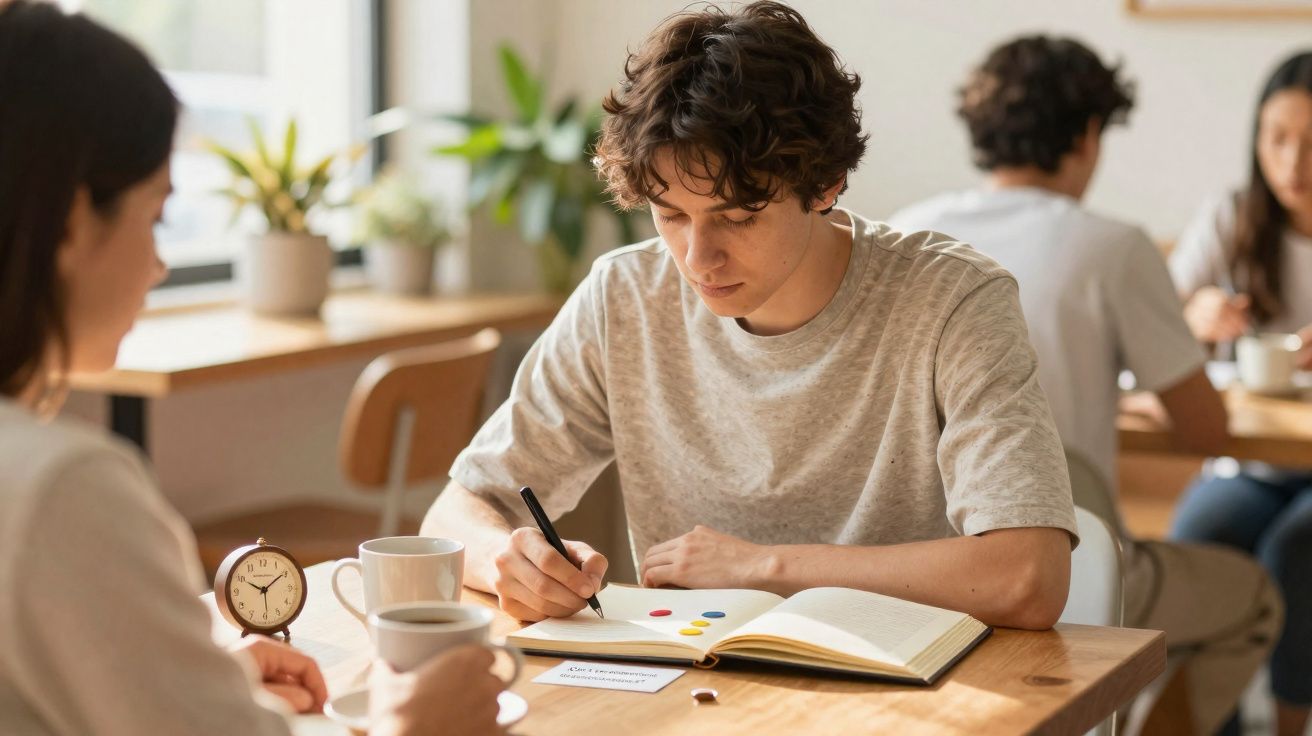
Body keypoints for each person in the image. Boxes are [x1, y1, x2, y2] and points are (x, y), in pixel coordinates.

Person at [423, 1, 1077, 632]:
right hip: (693, 681)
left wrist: (764, 568)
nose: (697, 257)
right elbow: (456, 513)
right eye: (671, 214)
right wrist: (505, 560)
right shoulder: (623, 299)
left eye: (737, 216)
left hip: (906, 688)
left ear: (825, 184)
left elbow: (1026, 575)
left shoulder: (952, 299)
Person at [0, 3, 502, 734]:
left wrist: (204, 686)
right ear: (75, 222)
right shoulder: (61, 489)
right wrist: (413, 726)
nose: (159, 264)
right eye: (155, 217)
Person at [889, 36, 1282, 736]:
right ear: (1090, 134)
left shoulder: (906, 233)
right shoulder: (1111, 245)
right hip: (1063, 565)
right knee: (1255, 599)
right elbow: (1205, 431)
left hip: (912, 568)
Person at [1168, 50, 1312, 736]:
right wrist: (1196, 317)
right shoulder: (1232, 214)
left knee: (1298, 548)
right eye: (1277, 139)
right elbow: (1163, 322)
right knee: (1200, 534)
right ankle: (1209, 724)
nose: (1293, 164)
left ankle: (1291, 725)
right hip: (1250, 461)